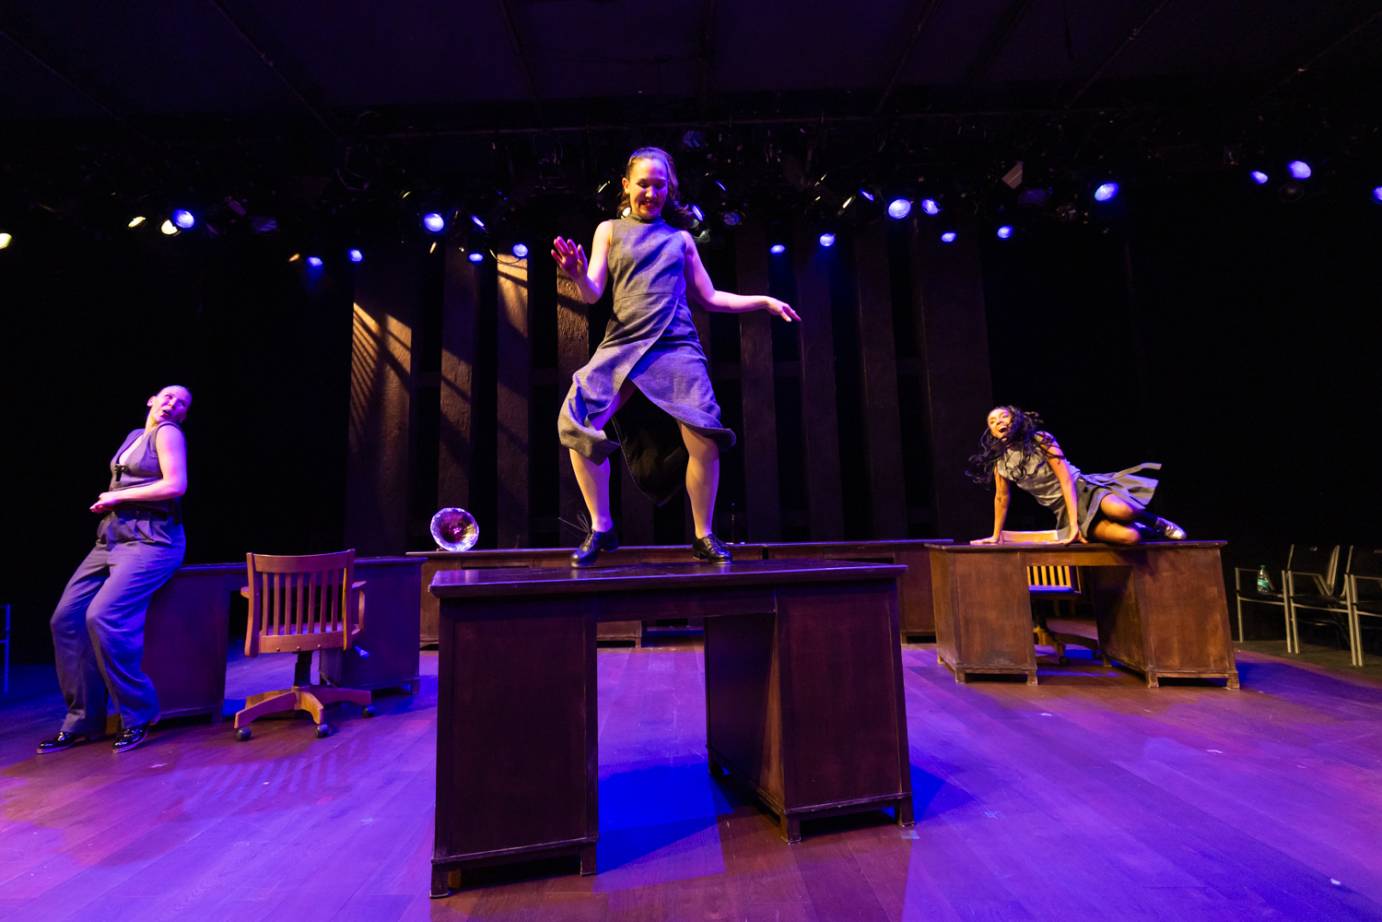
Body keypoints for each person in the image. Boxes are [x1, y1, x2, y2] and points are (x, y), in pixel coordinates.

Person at [552, 146, 800, 567]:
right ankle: (602, 527)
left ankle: (704, 535)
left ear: (670, 189)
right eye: (643, 184)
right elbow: (594, 293)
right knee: (578, 421)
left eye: (659, 184)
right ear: (626, 186)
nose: (650, 192)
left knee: (705, 434)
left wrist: (763, 301)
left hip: (676, 345)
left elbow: (711, 297)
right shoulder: (608, 230)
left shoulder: (680, 239)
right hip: (625, 342)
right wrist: (577, 274)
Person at [39, 385, 192, 754]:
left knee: (103, 616)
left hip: (151, 540)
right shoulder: (135, 436)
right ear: (151, 400)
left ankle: (138, 713)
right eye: (168, 396)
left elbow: (176, 485)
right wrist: (112, 504)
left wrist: (117, 497)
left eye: (182, 404)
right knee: (67, 619)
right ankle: (83, 719)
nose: (173, 404)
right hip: (112, 538)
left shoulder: (169, 433)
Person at [966, 405, 1184, 546]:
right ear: (992, 433)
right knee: (1131, 537)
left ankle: (1157, 522)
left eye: (1003, 416)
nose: (999, 422)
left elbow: (1065, 480)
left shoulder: (1041, 440)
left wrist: (1074, 524)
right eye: (993, 422)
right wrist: (996, 536)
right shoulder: (1001, 463)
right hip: (1063, 509)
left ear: (1016, 419)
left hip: (1081, 489)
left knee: (1123, 510)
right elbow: (1002, 499)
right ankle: (1146, 531)